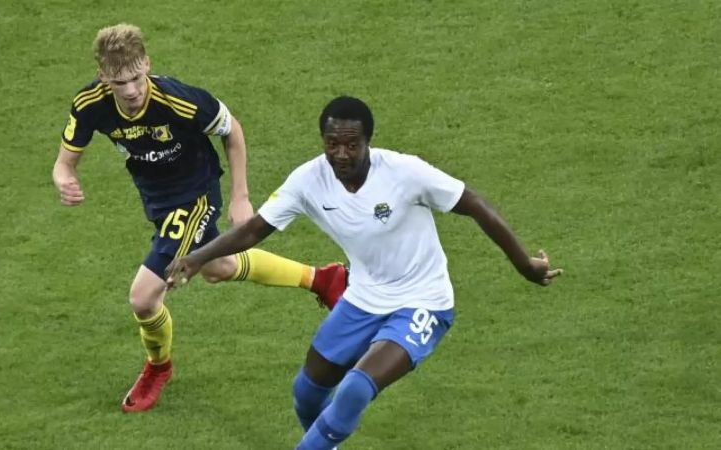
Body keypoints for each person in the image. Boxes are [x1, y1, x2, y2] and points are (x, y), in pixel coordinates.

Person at [165, 96, 563, 448]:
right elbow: (254, 229)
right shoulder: (308, 181)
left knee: (356, 387)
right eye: (332, 144)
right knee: (306, 392)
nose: (341, 153)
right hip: (363, 298)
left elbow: (473, 203)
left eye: (351, 145)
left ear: (368, 141)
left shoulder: (405, 173)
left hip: (424, 301)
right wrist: (198, 257)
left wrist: (524, 264)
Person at [51, 23, 348, 414]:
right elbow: (63, 163)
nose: (132, 90)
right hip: (156, 197)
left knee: (143, 297)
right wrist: (65, 178)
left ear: (148, 66)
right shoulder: (90, 104)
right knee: (219, 266)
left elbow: (232, 130)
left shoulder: (180, 100)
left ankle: (158, 368)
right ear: (104, 78)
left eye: (138, 77)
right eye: (120, 82)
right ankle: (322, 278)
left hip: (195, 191)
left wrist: (240, 197)